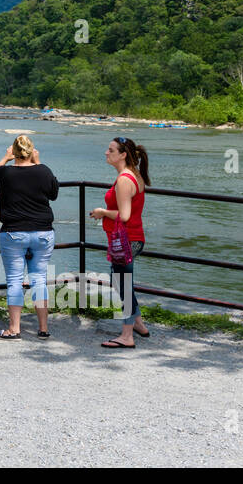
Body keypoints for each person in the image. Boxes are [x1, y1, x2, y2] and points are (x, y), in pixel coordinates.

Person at [0, 135, 59, 340]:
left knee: (14, 281)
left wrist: (4, 158)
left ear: (14, 152)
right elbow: (54, 192)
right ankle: (43, 328)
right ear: (32, 151)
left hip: (14, 232)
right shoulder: (43, 170)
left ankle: (14, 329)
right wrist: (39, 162)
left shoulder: (5, 172)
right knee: (39, 280)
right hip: (43, 232)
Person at [91, 135, 151, 349]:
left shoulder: (125, 179)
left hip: (126, 240)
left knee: (122, 284)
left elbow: (124, 215)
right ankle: (138, 324)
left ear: (123, 155)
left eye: (111, 150)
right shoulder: (133, 175)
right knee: (120, 282)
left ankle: (127, 336)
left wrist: (102, 212)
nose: (106, 153)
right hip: (131, 238)